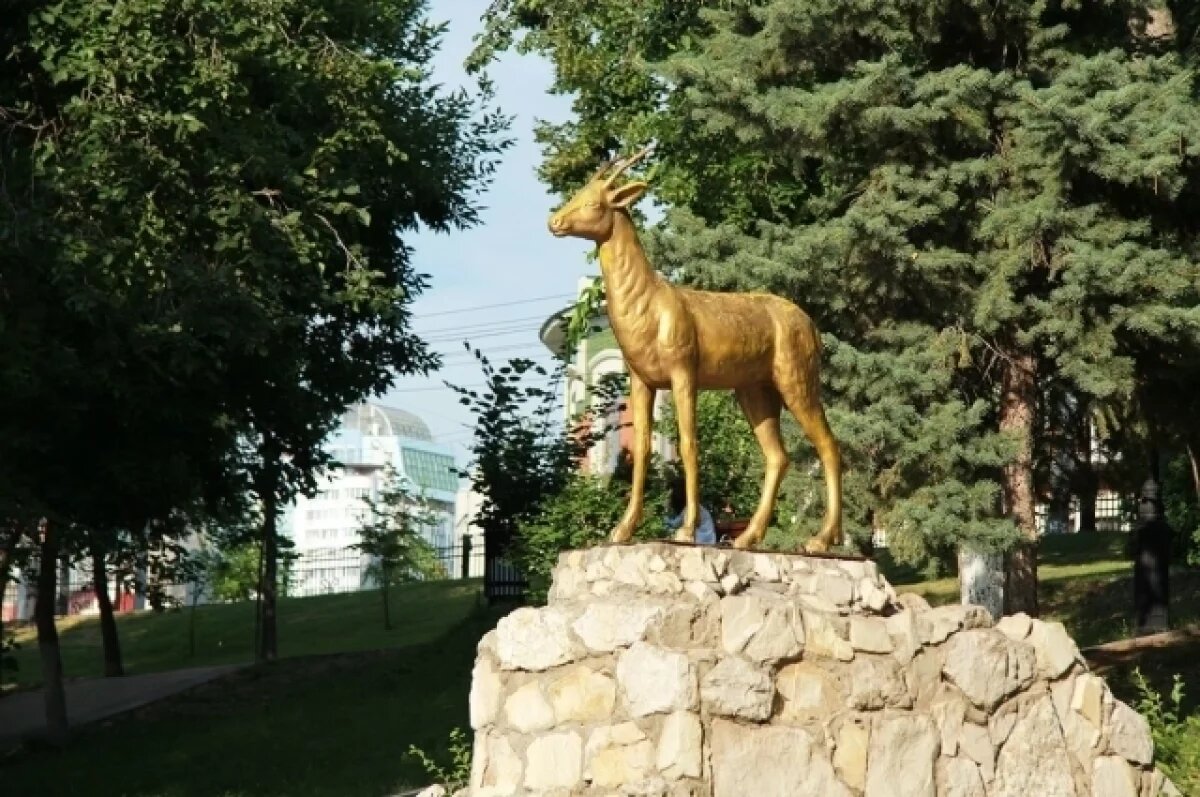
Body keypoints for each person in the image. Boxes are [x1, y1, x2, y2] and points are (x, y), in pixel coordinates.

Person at [665, 479, 717, 545]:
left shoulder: (691, 508)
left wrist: (665, 516)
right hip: (709, 539)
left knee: (682, 533)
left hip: (703, 540)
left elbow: (675, 524)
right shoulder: (697, 507)